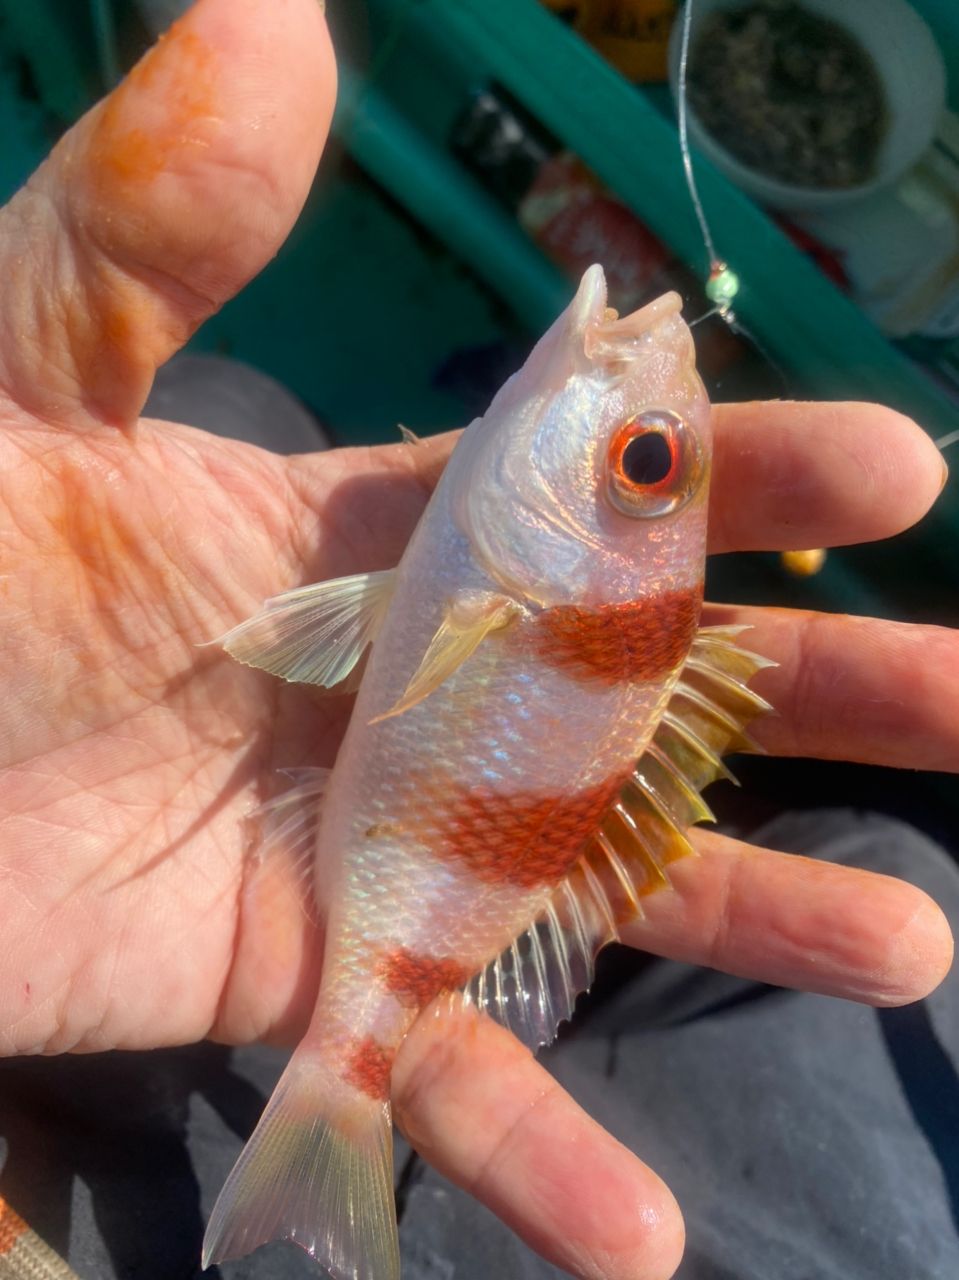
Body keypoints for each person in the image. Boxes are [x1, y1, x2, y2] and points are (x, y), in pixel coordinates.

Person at [0, 2, 955, 1278]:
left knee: (238, 405)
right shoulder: (504, 575)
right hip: (398, 883)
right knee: (894, 864)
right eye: (651, 462)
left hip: (386, 889)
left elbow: (333, 633)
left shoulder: (502, 579)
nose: (649, 361)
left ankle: (331, 1113)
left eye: (641, 460)